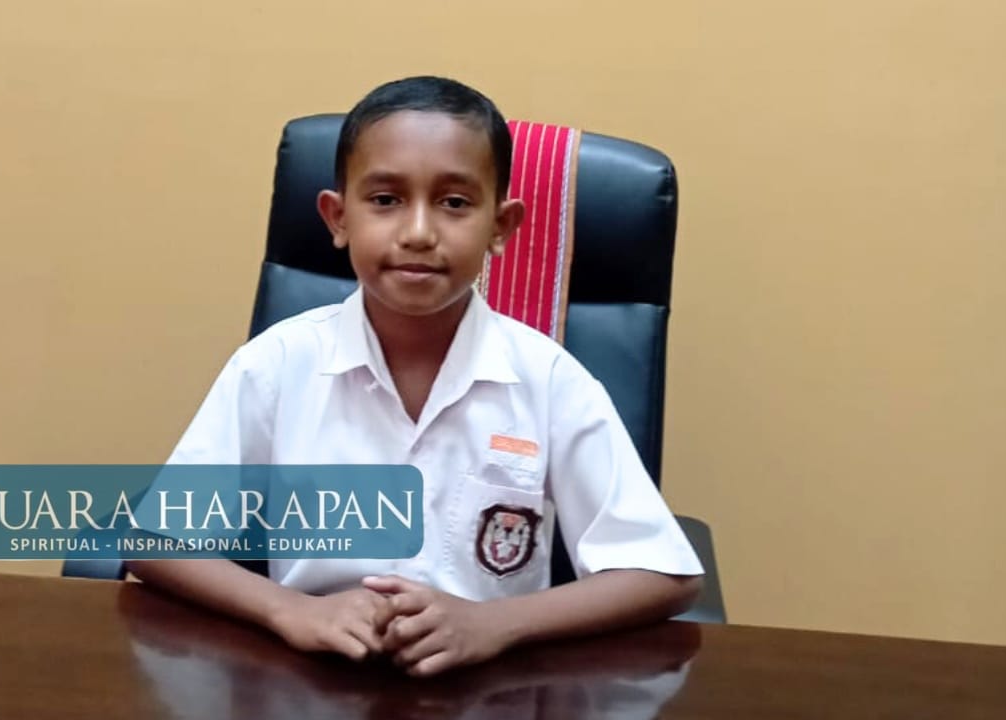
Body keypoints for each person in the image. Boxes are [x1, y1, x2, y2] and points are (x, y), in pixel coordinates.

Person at [128, 76, 703, 677]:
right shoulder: (277, 364)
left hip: (488, 685)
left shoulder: (549, 380)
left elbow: (662, 573)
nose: (420, 232)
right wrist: (288, 609)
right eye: (385, 200)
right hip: (306, 676)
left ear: (501, 226)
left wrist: (496, 623)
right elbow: (156, 541)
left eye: (454, 203)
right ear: (337, 218)